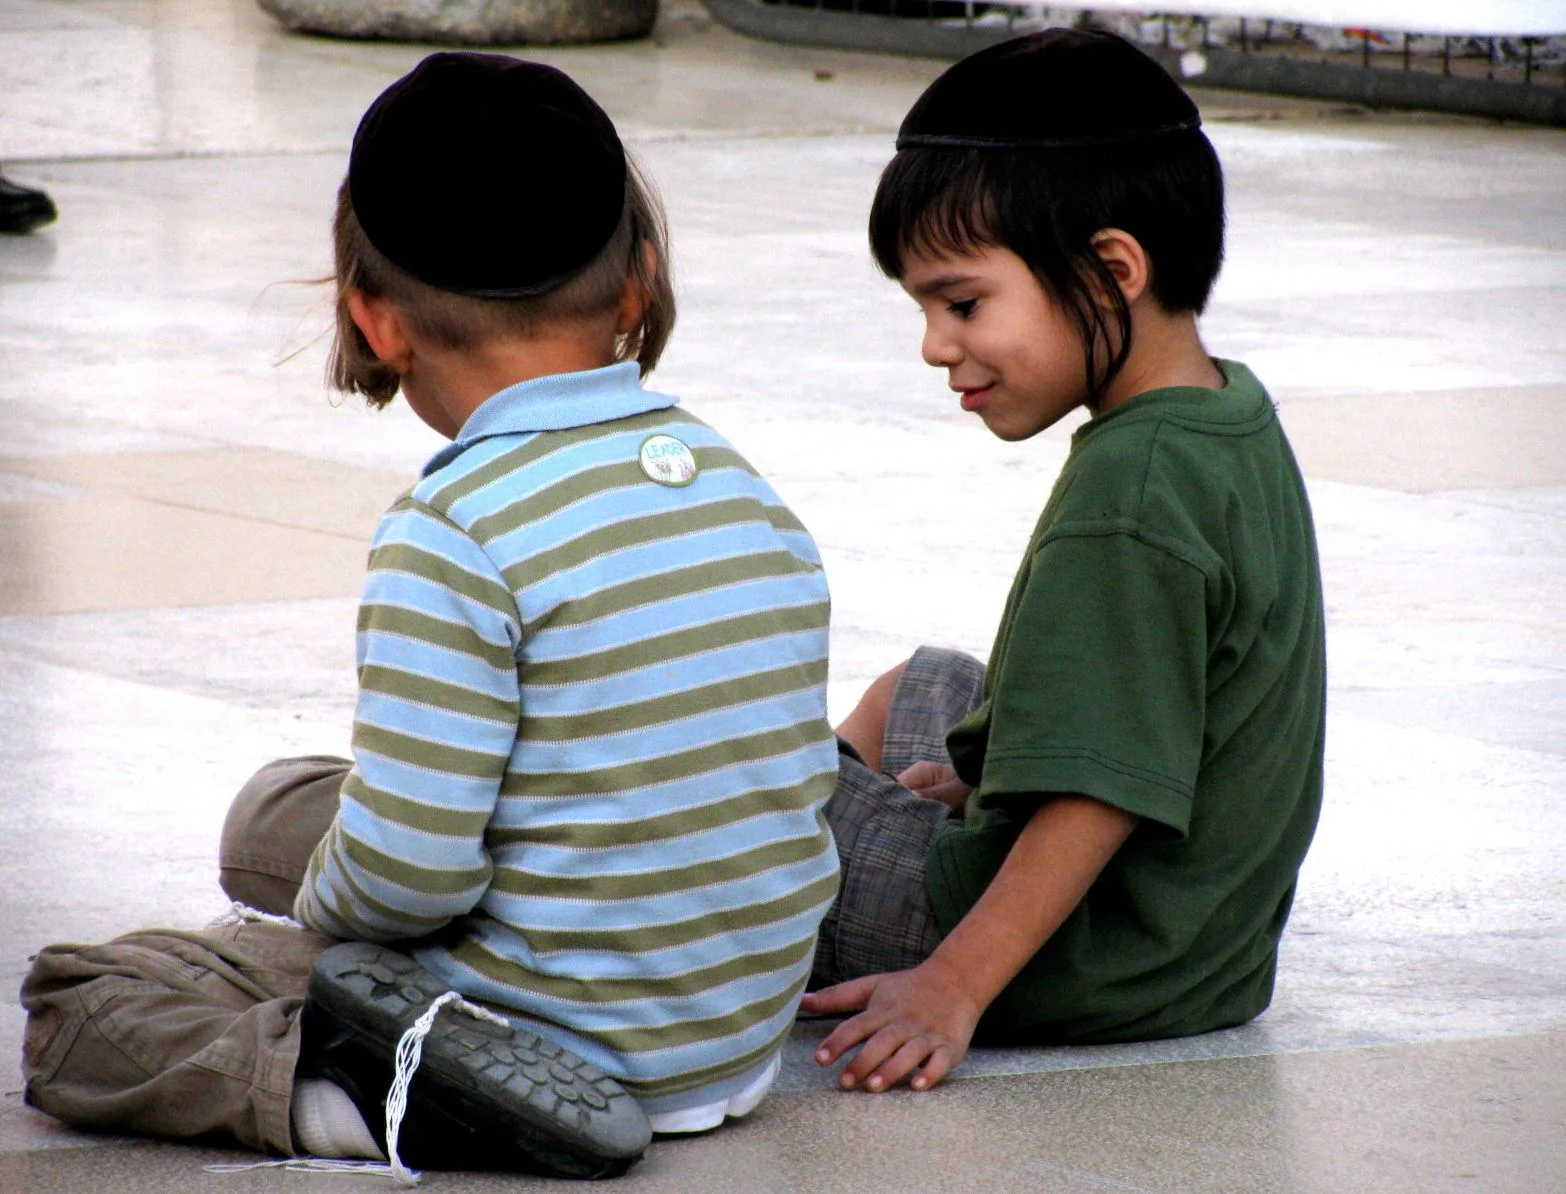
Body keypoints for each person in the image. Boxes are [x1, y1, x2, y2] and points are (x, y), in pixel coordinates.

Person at [20, 52, 840, 1178]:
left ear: (375, 318)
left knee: (84, 1007)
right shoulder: (742, 488)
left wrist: (330, 918)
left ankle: (365, 1097)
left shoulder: (454, 529)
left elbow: (410, 881)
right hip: (732, 1035)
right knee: (277, 813)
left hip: (549, 1026)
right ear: (638, 281)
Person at [803, 29, 1327, 1097]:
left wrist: (951, 986)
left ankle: (792, 900)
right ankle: (864, 824)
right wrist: (985, 780)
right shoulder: (1221, 411)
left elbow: (1098, 797)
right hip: (1196, 949)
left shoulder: (1131, 494)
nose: (936, 345)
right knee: (921, 686)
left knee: (725, 790)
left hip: (1062, 961)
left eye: (962, 304)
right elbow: (1166, 704)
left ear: (1111, 270)